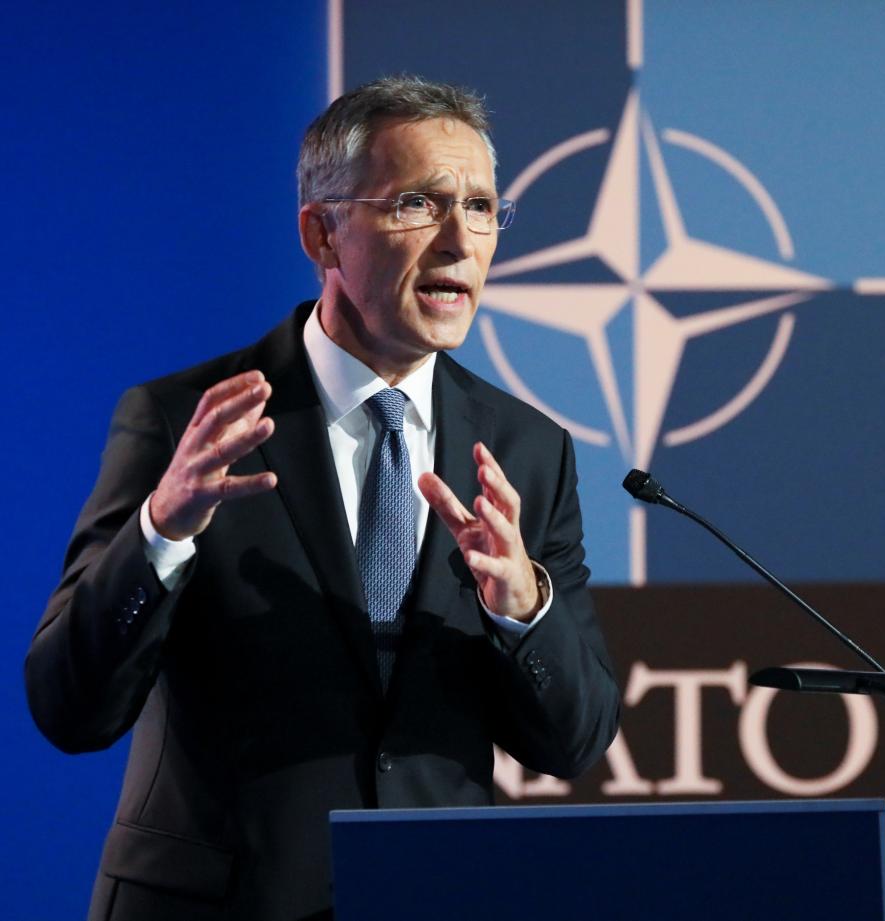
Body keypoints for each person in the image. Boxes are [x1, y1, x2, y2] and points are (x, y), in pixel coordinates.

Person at [25, 76, 620, 921]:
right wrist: (161, 532)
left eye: (482, 207)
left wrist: (523, 605)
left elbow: (574, 740)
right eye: (419, 202)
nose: (459, 241)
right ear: (324, 233)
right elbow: (69, 708)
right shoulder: (183, 423)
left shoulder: (528, 448)